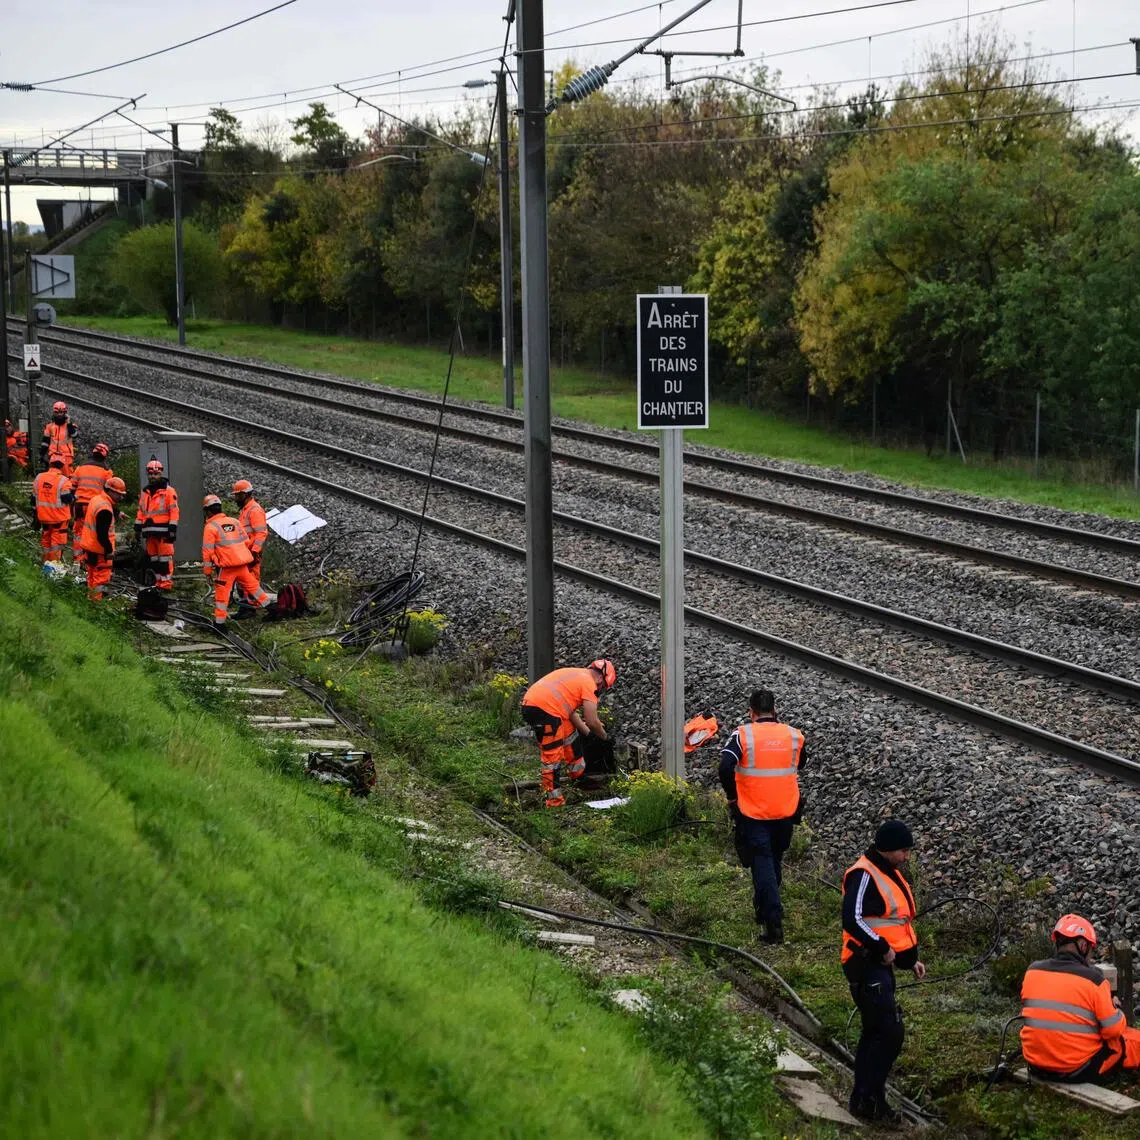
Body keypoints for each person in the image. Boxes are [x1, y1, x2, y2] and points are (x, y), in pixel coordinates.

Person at [841, 818, 926, 1124]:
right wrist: (880, 947)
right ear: (888, 849)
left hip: (879, 967)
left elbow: (895, 925)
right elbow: (852, 920)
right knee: (887, 1033)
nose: (907, 857)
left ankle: (865, 1100)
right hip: (865, 965)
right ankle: (870, 1101)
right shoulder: (864, 874)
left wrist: (908, 960)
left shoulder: (888, 872)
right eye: (904, 850)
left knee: (878, 1033)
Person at [718, 688, 806, 944]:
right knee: (773, 859)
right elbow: (799, 763)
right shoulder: (793, 736)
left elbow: (725, 766)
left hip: (754, 811)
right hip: (786, 811)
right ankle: (764, 906)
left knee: (763, 861)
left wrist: (732, 796)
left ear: (751, 712)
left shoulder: (742, 735)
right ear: (774, 711)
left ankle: (773, 921)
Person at [1020, 914, 1140, 1083]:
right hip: (1075, 1069)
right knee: (1129, 1040)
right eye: (1090, 948)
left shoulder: (1032, 971)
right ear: (1082, 945)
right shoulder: (1094, 980)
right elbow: (1112, 1031)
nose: (1090, 954)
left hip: (1036, 1065)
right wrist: (1117, 1011)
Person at [520, 659, 616, 808]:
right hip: (544, 710)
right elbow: (592, 720)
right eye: (602, 686)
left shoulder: (577, 675)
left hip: (539, 706)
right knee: (552, 757)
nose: (600, 689)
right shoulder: (589, 684)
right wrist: (604, 738)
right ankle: (554, 802)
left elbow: (570, 713)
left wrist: (588, 734)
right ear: (600, 678)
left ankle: (578, 778)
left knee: (570, 736)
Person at [201, 494, 271, 629]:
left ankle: (219, 624)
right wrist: (250, 554)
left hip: (227, 568)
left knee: (222, 596)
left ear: (207, 511)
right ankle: (273, 608)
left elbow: (207, 552)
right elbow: (246, 541)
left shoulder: (210, 528)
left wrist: (208, 571)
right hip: (241, 564)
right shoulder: (235, 521)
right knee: (255, 588)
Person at [77, 476, 127, 602]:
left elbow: (107, 507)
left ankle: (90, 600)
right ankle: (96, 605)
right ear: (110, 491)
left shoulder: (97, 499)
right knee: (100, 580)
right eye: (118, 494)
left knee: (92, 576)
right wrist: (109, 550)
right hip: (100, 550)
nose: (121, 497)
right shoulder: (105, 509)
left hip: (90, 546)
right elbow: (102, 534)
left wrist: (117, 512)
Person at [134, 459, 180, 591]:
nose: (153, 476)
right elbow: (141, 511)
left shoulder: (169, 491)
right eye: (150, 474)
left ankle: (166, 584)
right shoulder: (145, 492)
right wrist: (137, 525)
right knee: (154, 560)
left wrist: (172, 529)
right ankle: (159, 583)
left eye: (155, 474)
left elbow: (174, 511)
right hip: (150, 533)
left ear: (161, 474)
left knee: (164, 560)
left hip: (163, 532)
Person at [70, 443, 114, 559]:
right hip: (96, 507)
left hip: (79, 505)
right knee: (93, 532)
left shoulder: (80, 468)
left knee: (78, 532)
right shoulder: (106, 471)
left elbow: (72, 487)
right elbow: (110, 492)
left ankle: (78, 560)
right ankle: (89, 558)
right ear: (105, 455)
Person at [30, 455, 75, 562]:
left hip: (44, 517)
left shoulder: (39, 477)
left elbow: (33, 498)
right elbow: (67, 498)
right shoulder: (64, 480)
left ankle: (46, 562)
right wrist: (74, 497)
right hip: (58, 517)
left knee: (46, 539)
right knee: (57, 542)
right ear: (62, 466)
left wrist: (35, 514)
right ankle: (53, 566)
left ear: (50, 464)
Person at [232, 478, 268, 611]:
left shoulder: (254, 510)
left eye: (237, 495)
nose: (235, 499)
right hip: (245, 552)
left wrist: (255, 551)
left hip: (251, 552)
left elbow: (261, 533)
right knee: (244, 581)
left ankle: (251, 608)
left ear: (244, 495)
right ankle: (246, 607)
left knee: (251, 580)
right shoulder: (246, 510)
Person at [40, 401, 78, 475]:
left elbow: (75, 436)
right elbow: (45, 442)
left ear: (65, 413)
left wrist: (69, 423)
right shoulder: (49, 426)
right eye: (57, 412)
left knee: (67, 477)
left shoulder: (70, 426)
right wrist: (42, 454)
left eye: (61, 412)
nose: (59, 415)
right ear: (54, 413)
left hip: (66, 456)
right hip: (53, 455)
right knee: (53, 477)